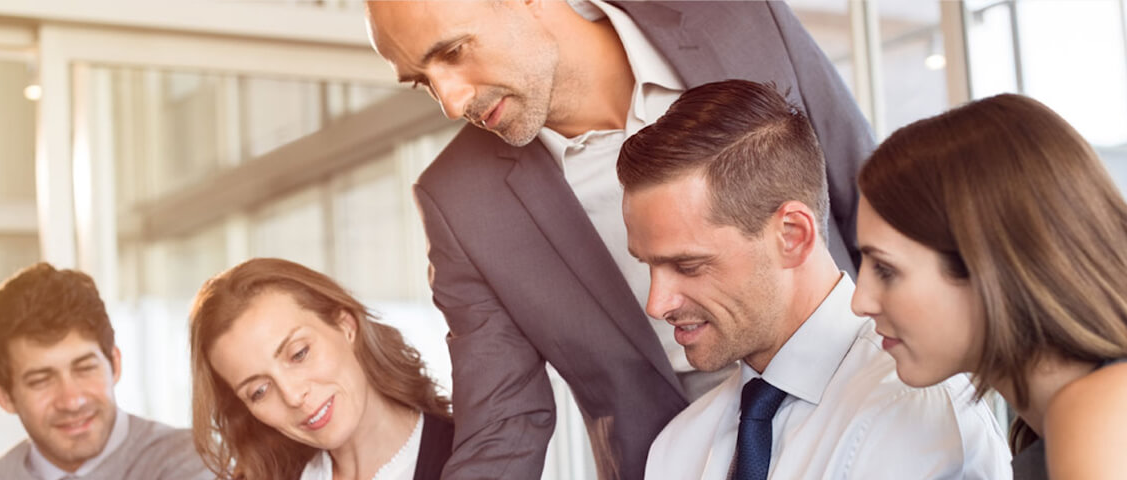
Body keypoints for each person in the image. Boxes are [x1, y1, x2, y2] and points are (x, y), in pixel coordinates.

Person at [363, 1, 875, 478]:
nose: (451, 102)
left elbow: (875, 203)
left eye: (453, 52)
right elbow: (502, 424)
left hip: (868, 405)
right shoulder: (461, 198)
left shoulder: (735, 17)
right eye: (421, 83)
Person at [620, 80, 1011, 479]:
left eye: (688, 266)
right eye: (647, 265)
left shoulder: (918, 410)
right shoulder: (677, 449)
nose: (657, 303)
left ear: (792, 235)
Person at [851, 94, 1127, 479]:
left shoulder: (1096, 413)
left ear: (988, 264)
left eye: (885, 269)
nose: (860, 301)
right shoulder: (1048, 426)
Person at [189, 257, 454, 480]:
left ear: (346, 326)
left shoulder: (474, 458)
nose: (292, 396)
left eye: (299, 354)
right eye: (259, 391)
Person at [0, 262, 212, 480]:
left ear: (115, 365)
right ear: (4, 397)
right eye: (41, 381)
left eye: (85, 368)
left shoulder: (191, 462)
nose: (72, 400)